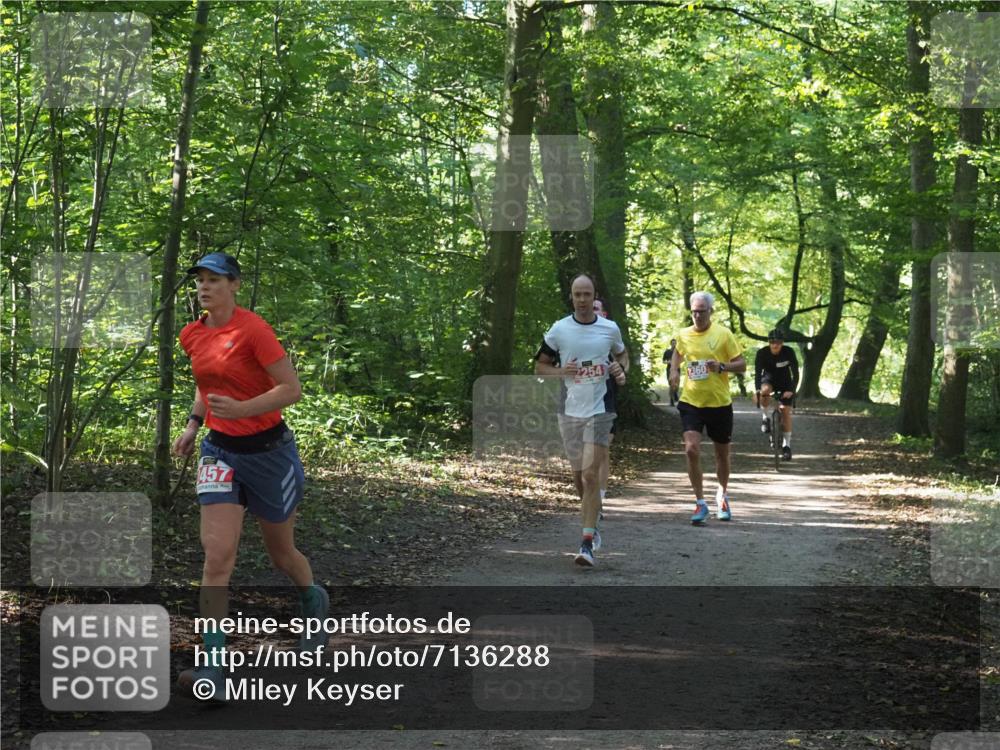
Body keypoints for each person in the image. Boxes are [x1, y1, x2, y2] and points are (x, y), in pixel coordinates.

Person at [172, 252, 329, 700]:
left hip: (269, 452)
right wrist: (193, 423)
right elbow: (206, 384)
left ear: (235, 285)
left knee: (282, 554)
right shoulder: (193, 334)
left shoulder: (253, 330)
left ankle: (312, 601)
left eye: (214, 279)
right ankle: (212, 669)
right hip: (219, 452)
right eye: (200, 280)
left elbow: (290, 389)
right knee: (216, 559)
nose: (204, 287)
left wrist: (242, 409)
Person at [535, 274, 628, 567]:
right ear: (572, 297)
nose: (583, 300)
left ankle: (586, 542)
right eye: (578, 294)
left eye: (588, 294)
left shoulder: (609, 329)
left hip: (601, 408)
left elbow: (624, 356)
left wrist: (620, 369)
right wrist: (563, 372)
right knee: (578, 476)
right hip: (569, 409)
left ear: (594, 295)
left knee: (590, 475)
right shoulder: (559, 330)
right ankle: (593, 519)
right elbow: (540, 367)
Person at [668, 291, 746, 525]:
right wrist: (674, 371)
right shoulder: (683, 334)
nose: (698, 315)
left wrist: (721, 366)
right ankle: (700, 503)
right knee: (691, 449)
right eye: (694, 311)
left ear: (710, 311)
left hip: (719, 402)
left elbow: (742, 364)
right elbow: (677, 354)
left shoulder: (723, 335)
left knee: (722, 454)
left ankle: (722, 494)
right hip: (692, 401)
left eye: (702, 311)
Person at [753, 328, 799, 461]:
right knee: (765, 391)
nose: (775, 345)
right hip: (769, 380)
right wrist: (757, 391)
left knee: (785, 411)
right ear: (769, 342)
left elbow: (796, 373)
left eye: (778, 342)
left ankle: (787, 446)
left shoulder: (789, 352)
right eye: (772, 342)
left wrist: (792, 390)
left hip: (786, 382)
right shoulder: (762, 353)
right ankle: (766, 417)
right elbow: (757, 374)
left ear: (782, 343)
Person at [593, 298, 616, 512]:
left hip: (606, 402)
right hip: (579, 403)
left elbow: (623, 362)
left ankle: (599, 500)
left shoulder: (611, 337)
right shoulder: (574, 336)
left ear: (604, 314)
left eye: (596, 308)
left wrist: (620, 369)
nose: (593, 312)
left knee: (602, 451)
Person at [661, 338, 679, 406]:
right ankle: (671, 400)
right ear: (671, 344)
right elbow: (663, 361)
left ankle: (675, 394)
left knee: (676, 385)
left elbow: (682, 359)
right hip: (669, 369)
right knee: (671, 384)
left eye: (675, 343)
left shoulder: (678, 351)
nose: (674, 344)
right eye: (673, 343)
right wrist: (668, 362)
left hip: (677, 369)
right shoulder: (667, 351)